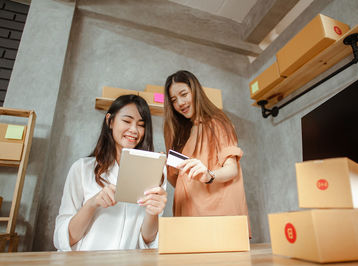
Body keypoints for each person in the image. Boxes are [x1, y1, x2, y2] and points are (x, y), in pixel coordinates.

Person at [54, 95, 167, 251]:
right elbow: (63, 239)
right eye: (127, 121)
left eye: (141, 125)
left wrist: (153, 212)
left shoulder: (157, 172)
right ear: (110, 121)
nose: (134, 130)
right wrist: (92, 204)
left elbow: (148, 240)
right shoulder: (82, 169)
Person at [163, 70, 250, 233]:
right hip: (187, 210)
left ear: (195, 91)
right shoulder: (182, 133)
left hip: (214, 212)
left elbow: (232, 169)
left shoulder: (217, 122)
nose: (180, 103)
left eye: (184, 94)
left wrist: (208, 175)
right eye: (174, 100)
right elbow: (178, 181)